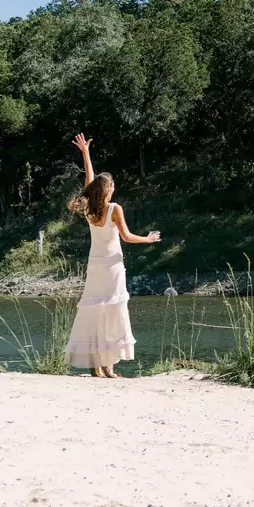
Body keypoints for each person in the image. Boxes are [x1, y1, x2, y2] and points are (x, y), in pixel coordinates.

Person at [64, 133, 160, 378]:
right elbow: (127, 237)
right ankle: (109, 366)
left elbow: (89, 182)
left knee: (94, 311)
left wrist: (85, 154)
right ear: (108, 189)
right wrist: (148, 239)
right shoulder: (114, 208)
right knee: (112, 311)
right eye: (113, 185)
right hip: (113, 267)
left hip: (95, 266)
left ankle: (96, 365)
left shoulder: (89, 208)